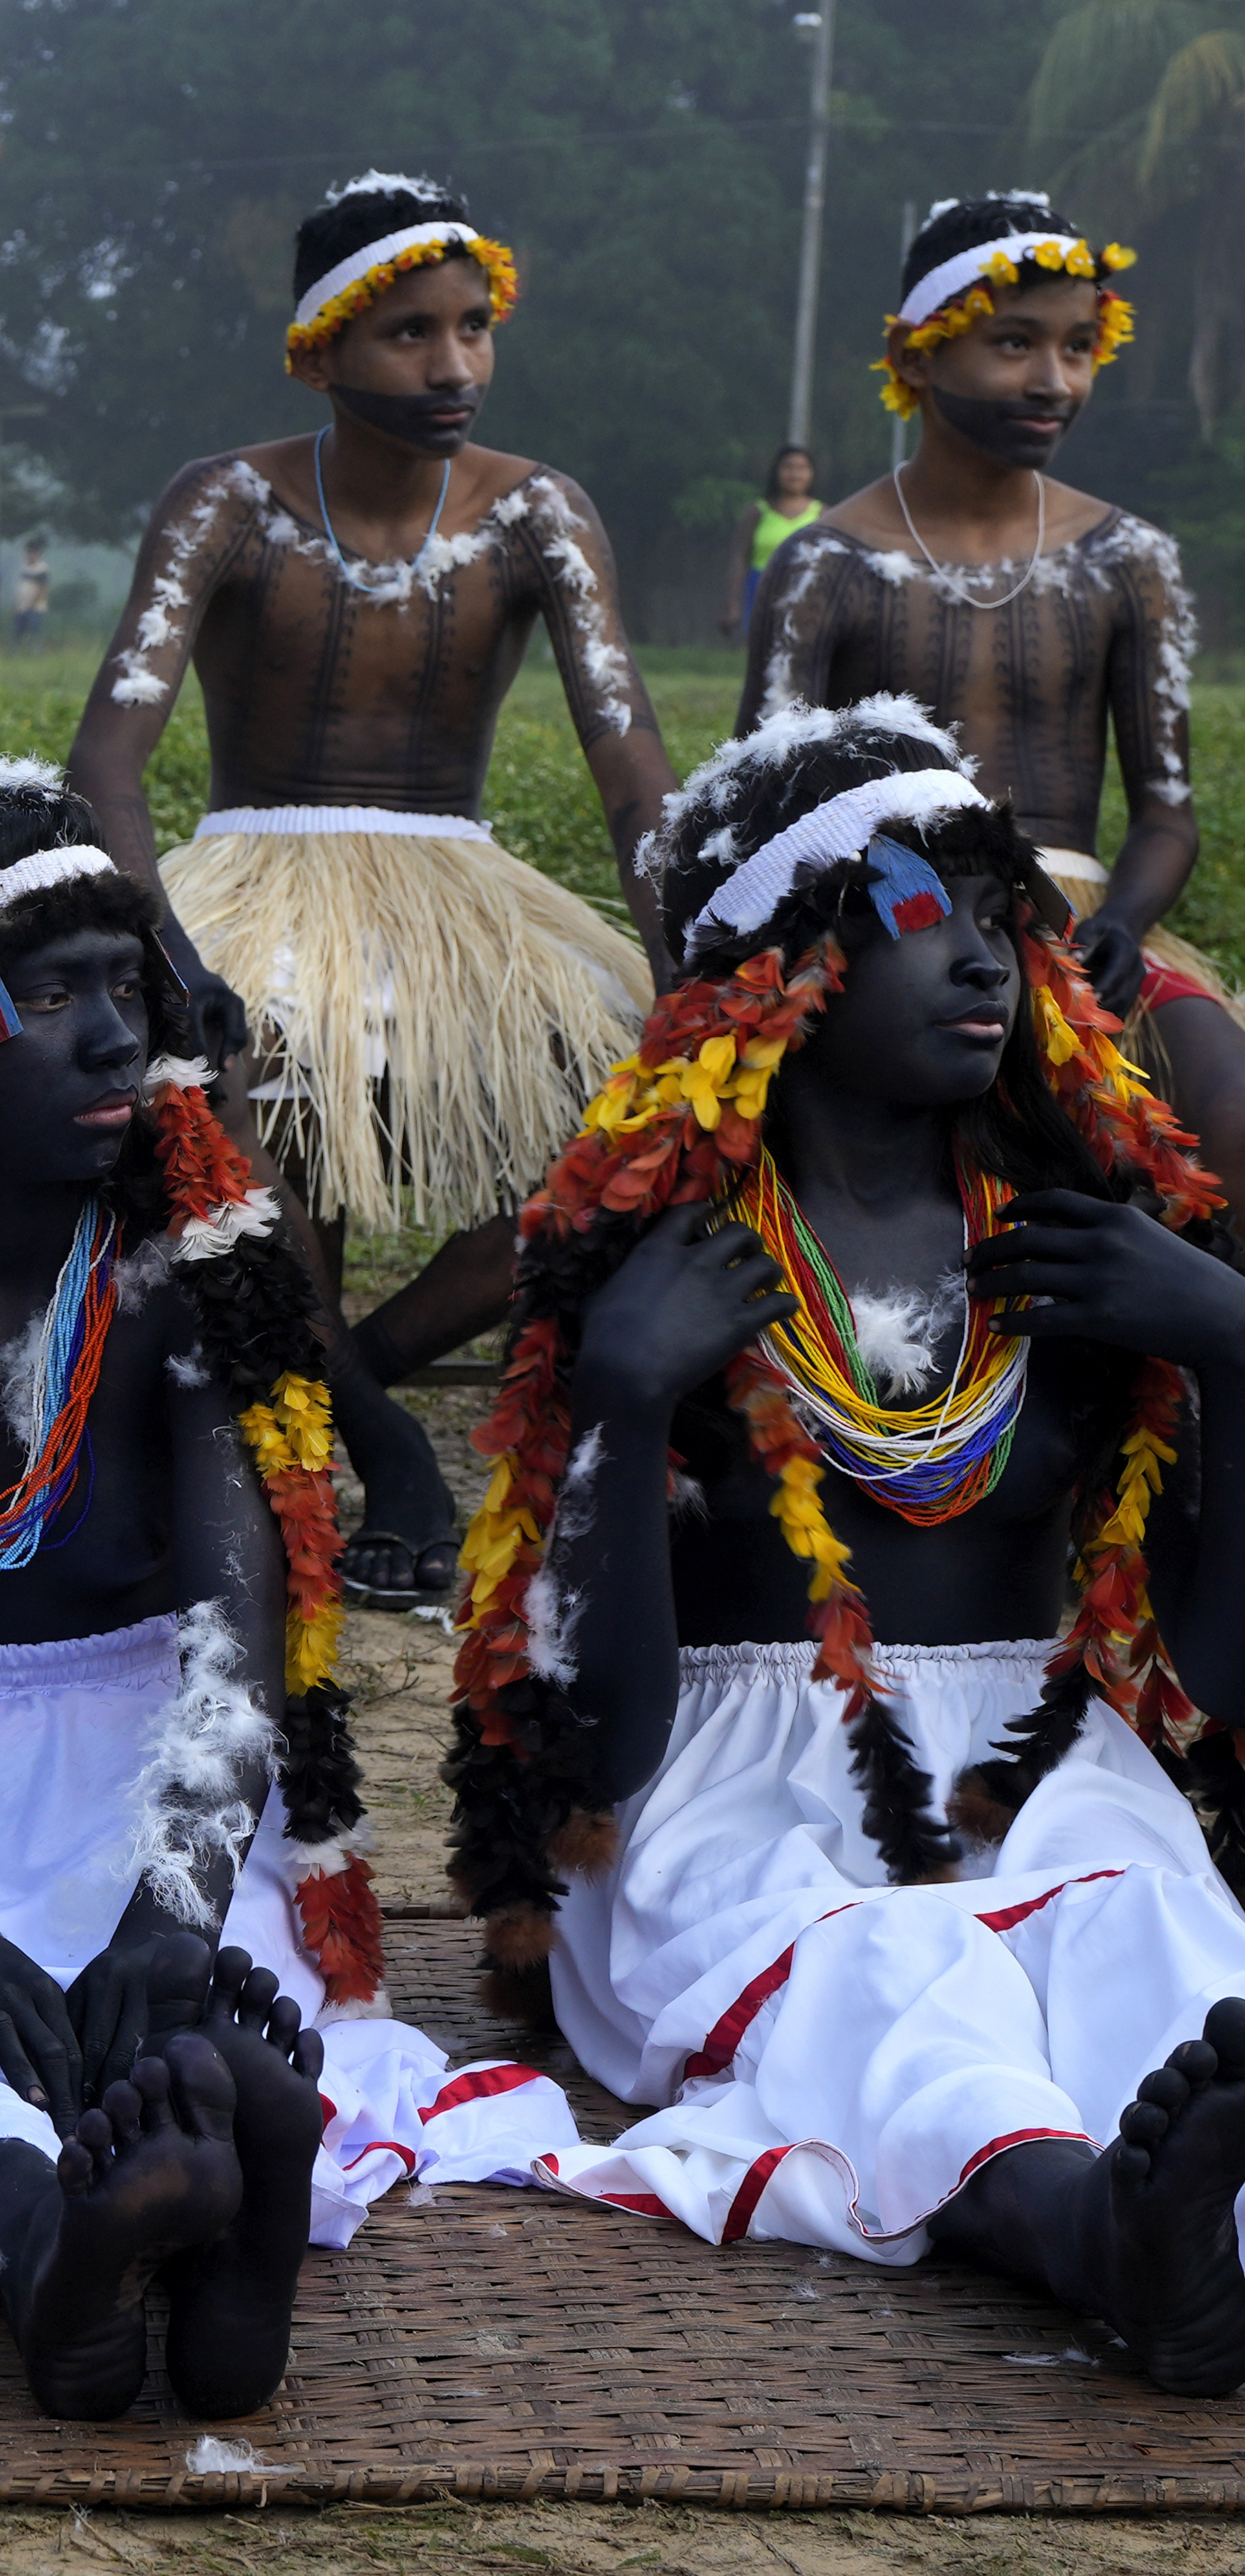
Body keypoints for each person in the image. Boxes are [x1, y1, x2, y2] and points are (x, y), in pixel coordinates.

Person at [0, 760, 571, 2420]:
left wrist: (168, 1904)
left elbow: (232, 1663)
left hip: (151, 1789)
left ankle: (227, 2194)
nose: (108, 1034)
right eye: (49, 990)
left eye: (125, 988)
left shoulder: (175, 1292)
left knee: (198, 1995)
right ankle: (56, 2251)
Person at [450, 698, 1245, 2394]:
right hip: (729, 1791)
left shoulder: (1083, 1242)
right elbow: (596, 1747)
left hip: (1043, 1768)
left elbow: (1218, 1664)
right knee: (889, 1975)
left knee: (1160, 1945)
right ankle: (1094, 2232)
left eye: (999, 919)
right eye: (915, 914)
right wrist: (616, 1393)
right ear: (782, 970)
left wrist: (1234, 1342)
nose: (980, 959)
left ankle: (1205, 2215)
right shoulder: (664, 1265)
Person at [65, 171, 673, 1611]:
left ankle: (345, 1386)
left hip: (462, 892)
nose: (454, 364)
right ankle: (391, 1449)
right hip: (256, 875)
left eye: (474, 328)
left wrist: (690, 959)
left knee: (644, 1118)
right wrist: (165, 953)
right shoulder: (226, 500)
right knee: (226, 1079)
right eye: (410, 333)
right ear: (322, 347)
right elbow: (107, 758)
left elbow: (631, 759)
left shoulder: (540, 512)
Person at [738, 193, 1245, 1166]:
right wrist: (898, 917)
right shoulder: (826, 562)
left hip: (1084, 931)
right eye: (1016, 345)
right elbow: (766, 811)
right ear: (918, 357)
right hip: (885, 927)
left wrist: (1125, 927)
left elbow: (1167, 816)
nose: (1055, 381)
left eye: (1079, 348)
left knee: (1229, 1102)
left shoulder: (1128, 558)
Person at [724, 445, 821, 641]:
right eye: (788, 467)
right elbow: (739, 559)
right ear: (776, 471)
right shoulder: (757, 512)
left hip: (806, 591)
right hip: (761, 589)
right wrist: (732, 606)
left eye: (802, 468)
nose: (795, 474)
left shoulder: (823, 514)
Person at [12, 538, 54, 649]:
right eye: (29, 553)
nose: (30, 555)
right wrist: (17, 605)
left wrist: (33, 603)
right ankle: (16, 653)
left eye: (33, 553)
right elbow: (21, 587)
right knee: (17, 631)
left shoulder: (42, 569)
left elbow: (43, 588)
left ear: (38, 554)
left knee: (34, 631)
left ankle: (36, 652)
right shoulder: (24, 568)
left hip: (35, 607)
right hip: (22, 606)